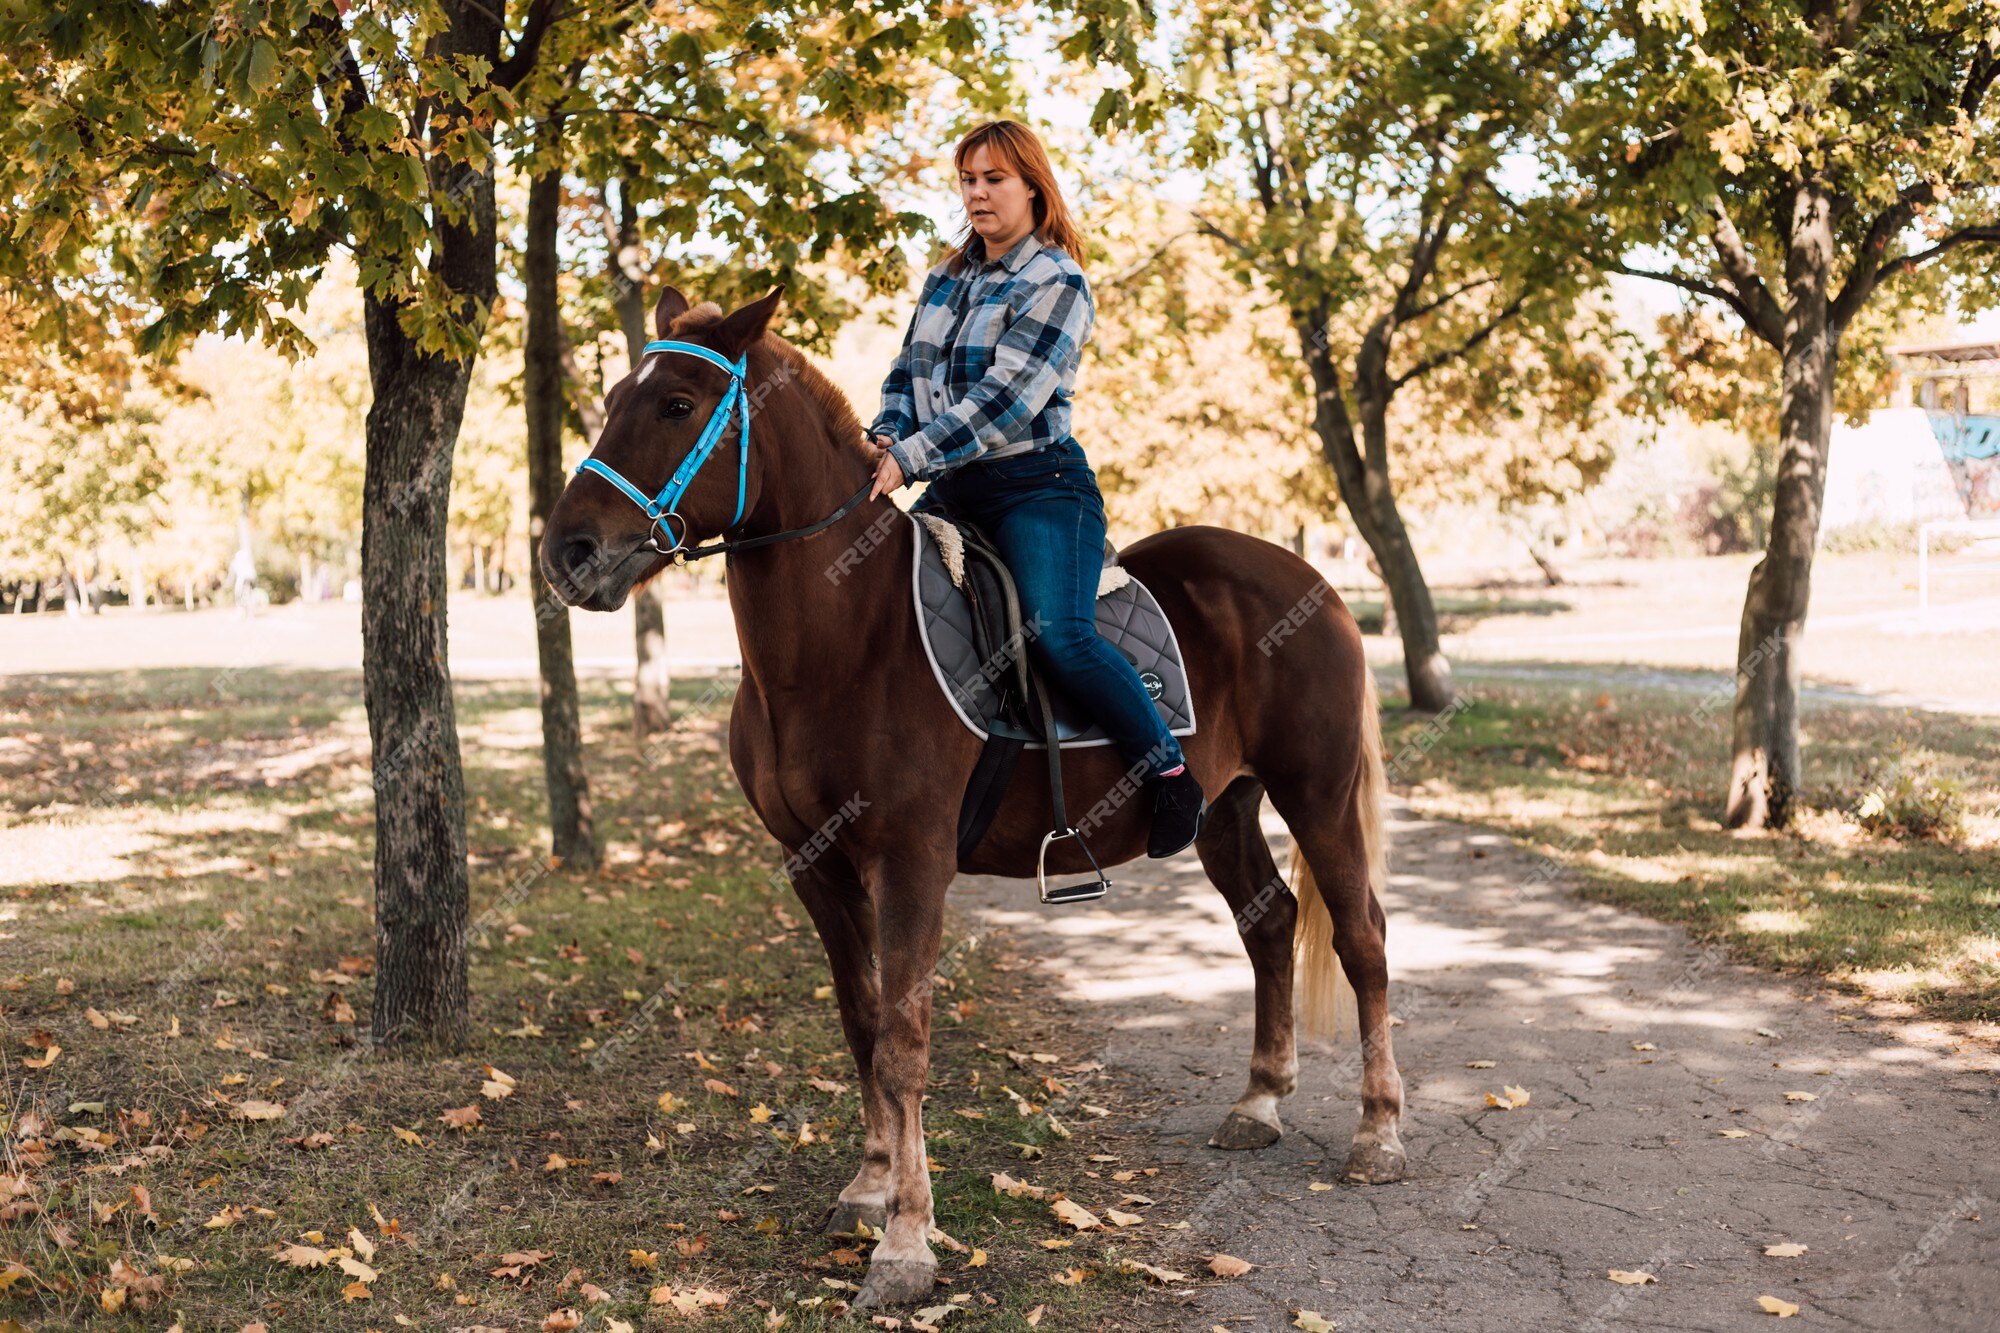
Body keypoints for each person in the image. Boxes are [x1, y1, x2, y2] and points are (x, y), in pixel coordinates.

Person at [863, 120, 1206, 859]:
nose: (978, 193)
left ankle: (1170, 771)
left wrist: (911, 457)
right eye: (968, 180)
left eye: (994, 179)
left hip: (1036, 486)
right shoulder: (947, 277)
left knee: (1060, 636)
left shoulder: (1057, 281)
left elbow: (1007, 399)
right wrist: (886, 435)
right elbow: (904, 374)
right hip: (952, 484)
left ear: (1032, 188)